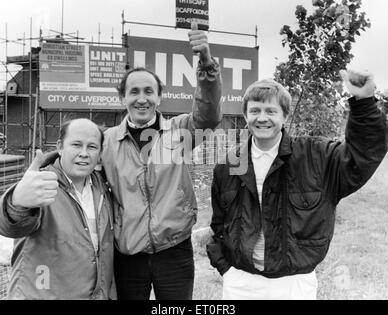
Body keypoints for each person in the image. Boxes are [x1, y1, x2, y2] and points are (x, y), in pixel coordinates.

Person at [206, 70, 387, 300]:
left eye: (271, 111)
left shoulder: (317, 157)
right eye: (255, 111)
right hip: (240, 283)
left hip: (294, 285)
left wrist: (364, 103)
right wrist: (227, 270)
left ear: (285, 116)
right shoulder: (229, 165)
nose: (262, 118)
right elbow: (219, 225)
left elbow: (362, 156)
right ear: (245, 115)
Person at [101, 22, 222, 300]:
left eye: (148, 91)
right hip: (128, 253)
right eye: (134, 92)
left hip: (174, 250)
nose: (141, 99)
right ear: (122, 98)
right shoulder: (107, 141)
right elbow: (75, 160)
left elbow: (210, 114)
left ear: (159, 97)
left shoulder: (180, 131)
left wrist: (205, 62)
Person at [0, 119, 115, 300]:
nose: (84, 153)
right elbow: (11, 225)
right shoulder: (42, 184)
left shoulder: (103, 188)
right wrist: (17, 203)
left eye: (92, 147)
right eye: (76, 145)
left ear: (100, 153)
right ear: (60, 147)